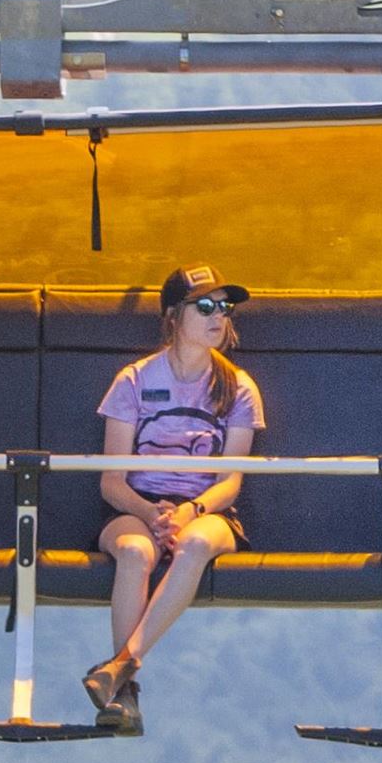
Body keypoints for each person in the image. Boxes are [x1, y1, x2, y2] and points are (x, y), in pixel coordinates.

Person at [80, 263, 263, 734]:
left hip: (206, 508)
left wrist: (190, 511)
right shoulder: (134, 380)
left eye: (224, 307)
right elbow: (111, 482)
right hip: (138, 505)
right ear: (173, 316)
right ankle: (125, 696)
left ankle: (121, 669)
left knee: (196, 543)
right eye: (205, 306)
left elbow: (230, 482)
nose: (218, 316)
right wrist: (150, 512)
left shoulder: (238, 388)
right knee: (134, 551)